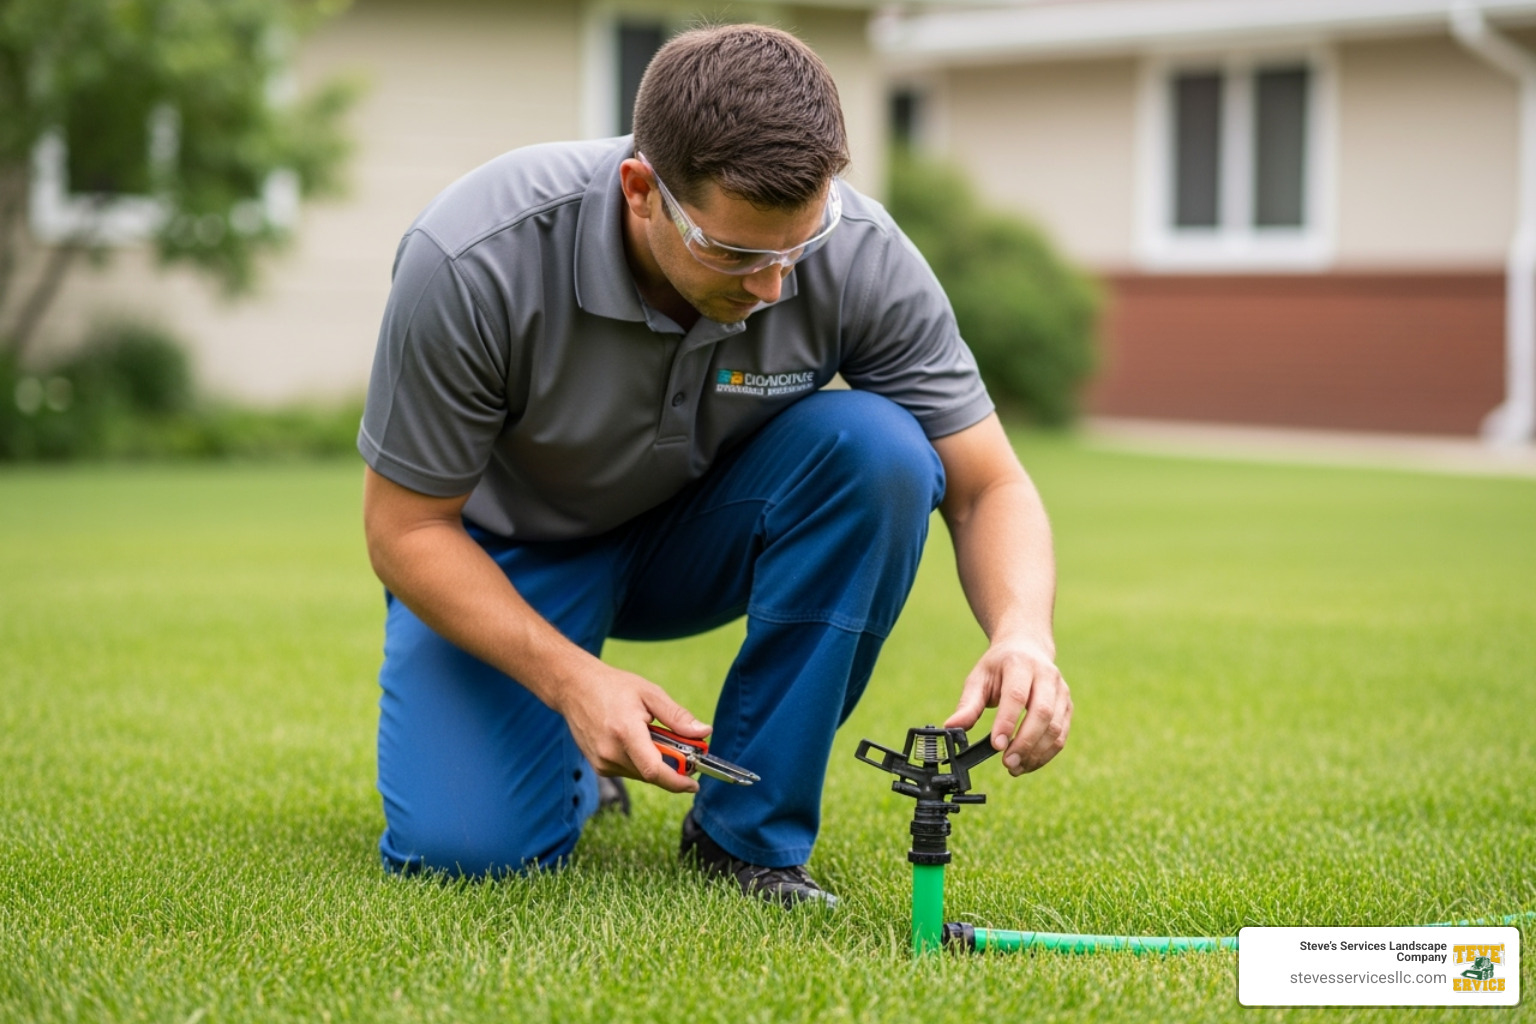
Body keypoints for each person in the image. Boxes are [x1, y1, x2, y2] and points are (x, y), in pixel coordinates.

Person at [358, 23, 1071, 905]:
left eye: (795, 249)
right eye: (735, 254)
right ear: (641, 190)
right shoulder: (472, 260)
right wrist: (574, 681)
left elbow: (988, 483)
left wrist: (1022, 631)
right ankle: (573, 761)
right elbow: (405, 530)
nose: (773, 287)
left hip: (699, 537)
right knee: (469, 853)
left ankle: (746, 836)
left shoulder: (859, 251)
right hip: (512, 557)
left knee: (884, 452)